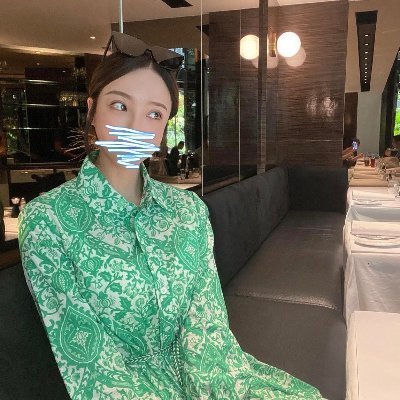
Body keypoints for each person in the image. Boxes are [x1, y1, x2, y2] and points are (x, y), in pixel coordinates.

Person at [18, 32, 323, 399]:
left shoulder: (188, 211)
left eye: (154, 114)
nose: (135, 126)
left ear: (163, 128)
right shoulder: (47, 222)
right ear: (92, 110)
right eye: (119, 105)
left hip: (207, 378)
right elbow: (94, 368)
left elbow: (207, 329)